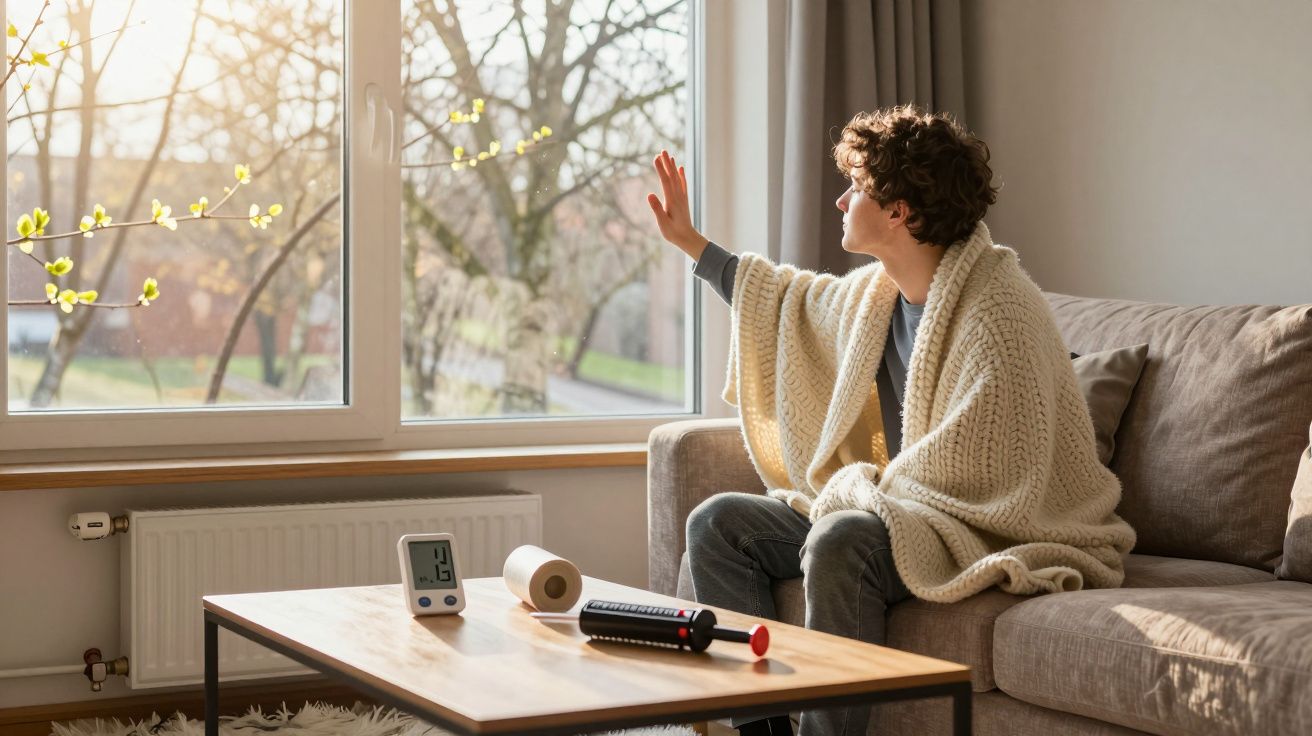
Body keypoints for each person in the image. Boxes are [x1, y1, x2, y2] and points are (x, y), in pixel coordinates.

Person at [645, 104, 1136, 736]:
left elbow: (986, 466)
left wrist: (863, 495)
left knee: (840, 537)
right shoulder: (876, 294)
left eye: (856, 187)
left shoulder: (1000, 309)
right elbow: (785, 300)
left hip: (969, 525)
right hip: (897, 512)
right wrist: (691, 242)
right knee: (718, 523)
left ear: (899, 210)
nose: (841, 199)